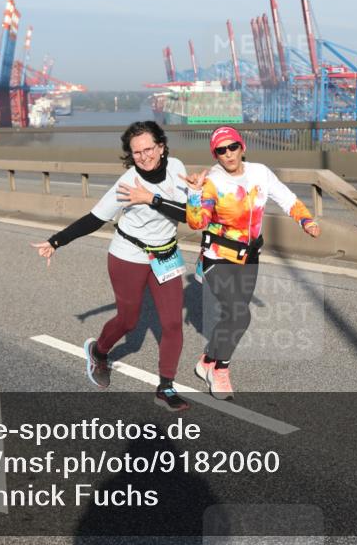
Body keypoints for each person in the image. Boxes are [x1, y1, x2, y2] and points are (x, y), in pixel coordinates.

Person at [31, 121, 191, 412]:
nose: (144, 157)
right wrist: (56, 241)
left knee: (171, 323)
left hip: (166, 253)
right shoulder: (127, 183)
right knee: (128, 321)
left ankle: (166, 386)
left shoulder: (178, 168)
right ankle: (99, 352)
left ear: (161, 147)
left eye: (149, 149)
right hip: (128, 255)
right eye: (137, 152)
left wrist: (152, 199)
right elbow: (95, 218)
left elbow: (189, 215)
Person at [184, 126, 321, 399]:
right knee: (240, 315)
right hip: (218, 257)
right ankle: (220, 370)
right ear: (215, 154)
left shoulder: (260, 172)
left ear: (242, 147)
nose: (228, 153)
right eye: (221, 150)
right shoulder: (211, 182)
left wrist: (305, 220)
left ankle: (207, 360)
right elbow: (197, 222)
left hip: (249, 257)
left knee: (232, 316)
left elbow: (286, 198)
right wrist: (194, 194)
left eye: (232, 146)